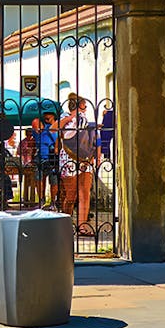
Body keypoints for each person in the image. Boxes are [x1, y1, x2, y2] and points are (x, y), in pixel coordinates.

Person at [59, 94, 101, 234]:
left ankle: (82, 226)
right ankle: (65, 224)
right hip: (69, 158)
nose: (86, 107)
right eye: (84, 105)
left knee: (85, 194)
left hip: (85, 158)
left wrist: (97, 156)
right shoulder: (65, 116)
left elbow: (96, 138)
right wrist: (72, 117)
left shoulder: (88, 121)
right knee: (71, 195)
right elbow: (55, 129)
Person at [36, 112, 61, 209]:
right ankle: (42, 200)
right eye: (45, 117)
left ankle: (53, 202)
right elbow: (36, 123)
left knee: (53, 181)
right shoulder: (42, 128)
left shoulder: (57, 128)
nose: (46, 118)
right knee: (39, 180)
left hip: (52, 157)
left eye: (48, 117)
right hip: (41, 157)